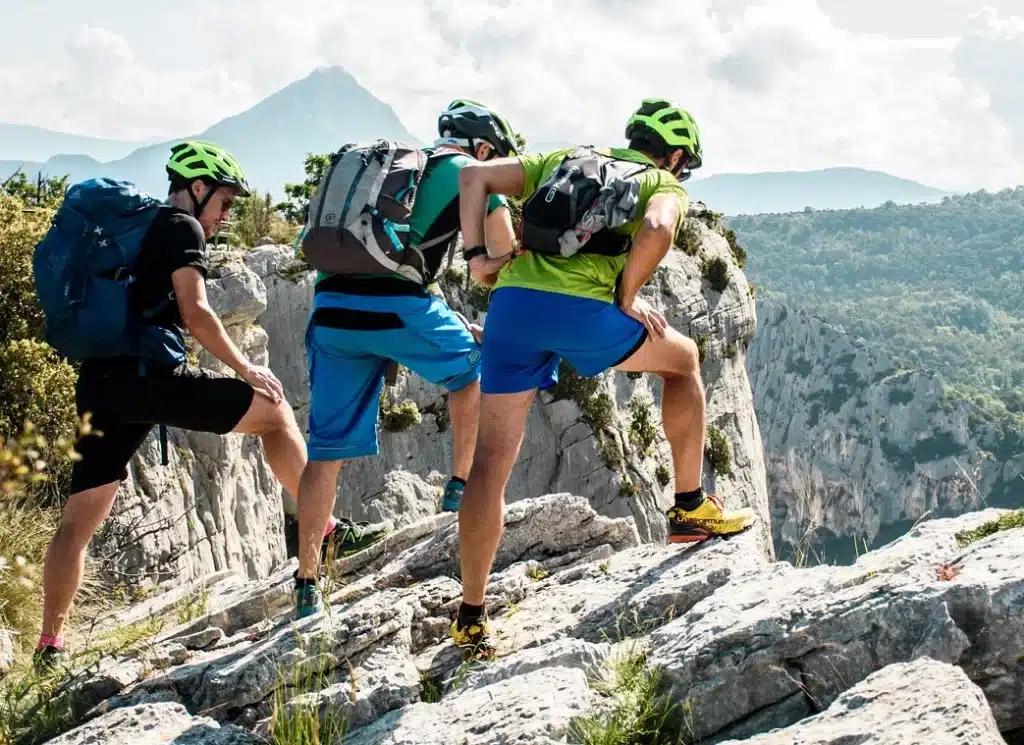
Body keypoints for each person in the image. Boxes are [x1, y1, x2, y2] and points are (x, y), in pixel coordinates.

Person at [449, 99, 758, 655]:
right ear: (678, 156)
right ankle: (689, 507)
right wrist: (629, 296)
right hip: (584, 312)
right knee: (683, 362)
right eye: (684, 165)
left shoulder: (567, 157)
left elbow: (472, 176)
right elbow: (659, 227)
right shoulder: (661, 182)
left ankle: (471, 615)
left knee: (490, 464)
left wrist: (477, 258)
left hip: (513, 306)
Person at [33, 140, 311, 671]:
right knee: (274, 414)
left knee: (78, 522)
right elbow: (198, 312)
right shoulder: (181, 228)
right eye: (224, 202)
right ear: (197, 188)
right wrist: (244, 368)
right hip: (151, 379)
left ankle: (50, 645)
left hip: (100, 385)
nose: (226, 215)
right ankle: (324, 528)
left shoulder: (138, 232)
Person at [291, 100, 520, 619]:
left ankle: (306, 584)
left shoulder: (400, 172)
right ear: (483, 149)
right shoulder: (469, 172)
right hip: (397, 310)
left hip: (331, 312)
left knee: (324, 451)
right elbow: (501, 252)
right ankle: (458, 489)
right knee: (472, 371)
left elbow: (404, 256)